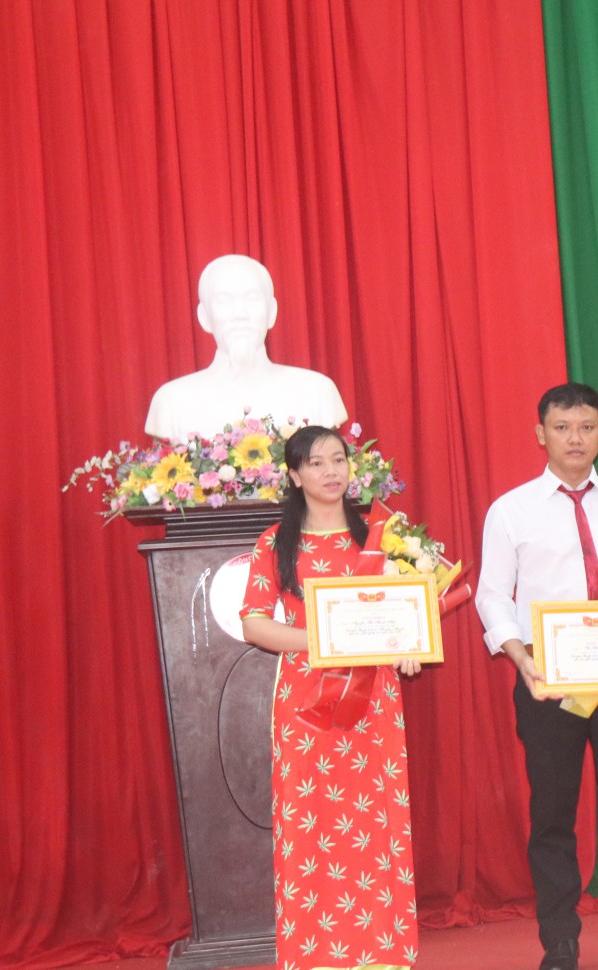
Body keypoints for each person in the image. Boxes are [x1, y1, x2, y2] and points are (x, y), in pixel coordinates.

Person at [475, 383, 598, 970]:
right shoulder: (511, 509)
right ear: (541, 434)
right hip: (547, 676)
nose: (575, 438)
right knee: (553, 813)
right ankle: (560, 942)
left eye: (586, 427)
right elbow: (492, 595)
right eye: (562, 428)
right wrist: (520, 658)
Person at [239, 425, 423, 970]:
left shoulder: (384, 539)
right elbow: (254, 624)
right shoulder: (275, 542)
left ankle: (383, 953)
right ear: (295, 476)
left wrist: (409, 646)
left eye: (338, 459)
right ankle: (315, 955)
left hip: (374, 698)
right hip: (307, 701)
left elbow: (407, 613)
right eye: (315, 463)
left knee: (376, 819)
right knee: (311, 821)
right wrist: (328, 640)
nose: (330, 471)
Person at [146, 254, 347, 442]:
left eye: (252, 298)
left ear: (272, 312)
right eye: (223, 300)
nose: (240, 314)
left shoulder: (317, 392)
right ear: (204, 317)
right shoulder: (171, 401)